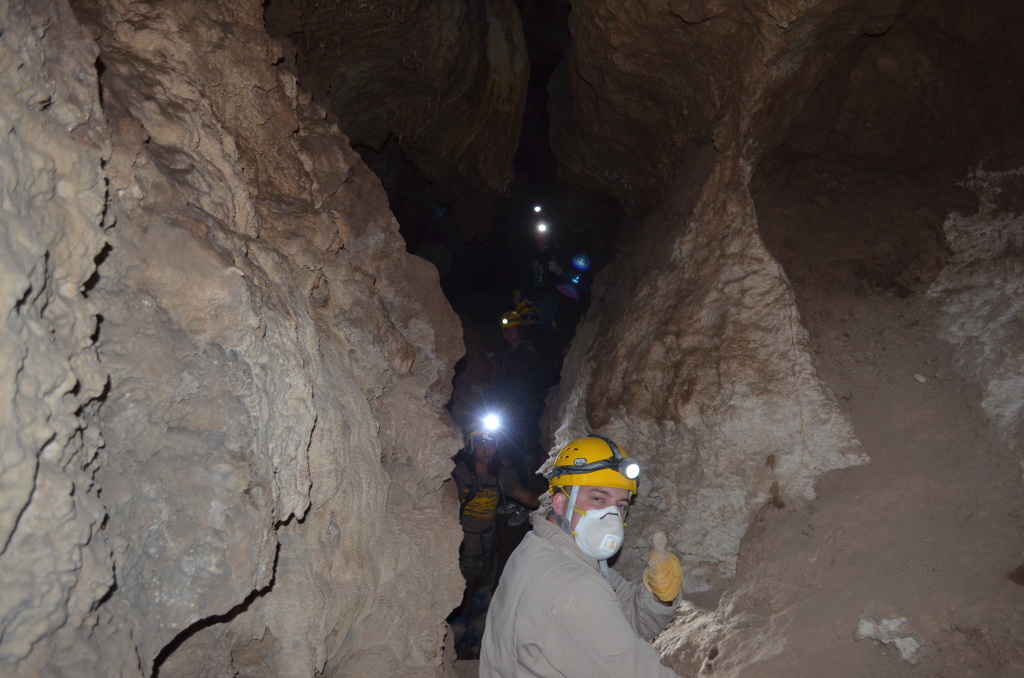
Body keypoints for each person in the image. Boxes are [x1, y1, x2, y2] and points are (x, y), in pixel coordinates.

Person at [480, 434, 685, 677]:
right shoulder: (572, 584)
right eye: (598, 498)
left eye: (620, 505)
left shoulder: (545, 549)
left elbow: (627, 618)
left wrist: (657, 596)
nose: (611, 516)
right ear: (560, 503)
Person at [450, 426, 540, 658]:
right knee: (457, 599)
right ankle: (451, 645)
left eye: (491, 444)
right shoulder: (459, 472)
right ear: (472, 446)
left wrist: (559, 495)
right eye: (481, 443)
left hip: (488, 550)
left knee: (482, 598)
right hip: (460, 550)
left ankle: (474, 647)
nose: (486, 449)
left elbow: (529, 498)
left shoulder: (500, 475)